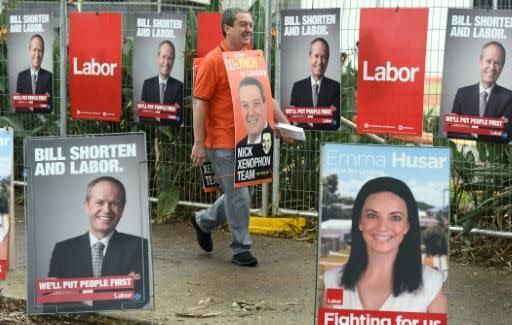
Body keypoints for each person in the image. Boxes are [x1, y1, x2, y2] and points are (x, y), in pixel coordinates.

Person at [190, 8, 293, 267]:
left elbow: (266, 96)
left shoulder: (250, 59)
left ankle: (203, 221)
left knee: (239, 194)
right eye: (243, 25)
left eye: (250, 24)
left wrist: (282, 122)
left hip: (249, 140)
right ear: (227, 28)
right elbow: (199, 103)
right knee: (240, 195)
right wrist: (199, 143)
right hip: (222, 142)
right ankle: (241, 249)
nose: (248, 29)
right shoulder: (212, 61)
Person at [322, 177, 447, 313]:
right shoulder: (332, 280)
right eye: (372, 215)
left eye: (395, 217)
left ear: (407, 226)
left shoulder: (431, 284)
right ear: (359, 222)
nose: (382, 227)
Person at [47, 176, 150, 311]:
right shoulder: (63, 250)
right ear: (87, 206)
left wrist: (78, 294)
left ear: (122, 209)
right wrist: (115, 289)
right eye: (99, 202)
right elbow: (50, 300)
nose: (107, 210)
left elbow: (138, 298)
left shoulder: (138, 246)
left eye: (114, 203)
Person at [450, 41, 512, 142]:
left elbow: (506, 136)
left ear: (502, 67)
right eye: (488, 61)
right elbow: (452, 130)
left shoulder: (509, 97)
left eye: (497, 63)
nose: (492, 67)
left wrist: (468, 127)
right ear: (480, 61)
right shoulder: (462, 94)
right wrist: (492, 126)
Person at [290, 37, 340, 131]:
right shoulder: (297, 87)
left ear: (328, 60)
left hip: (326, 139)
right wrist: (324, 115)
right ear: (310, 58)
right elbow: (293, 121)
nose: (319, 61)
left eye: (323, 57)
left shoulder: (336, 88)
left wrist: (306, 118)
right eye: (316, 56)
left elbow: (335, 122)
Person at [140, 40, 184, 125]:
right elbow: (143, 117)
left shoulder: (179, 86)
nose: (166, 62)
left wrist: (152, 111)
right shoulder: (147, 84)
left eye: (170, 58)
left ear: (173, 61)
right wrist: (169, 111)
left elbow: (179, 119)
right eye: (163, 57)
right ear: (158, 58)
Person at [16, 34, 52, 113]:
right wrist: (41, 100)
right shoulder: (21, 76)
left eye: (40, 50)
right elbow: (18, 106)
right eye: (34, 50)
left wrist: (26, 102)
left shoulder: (49, 77)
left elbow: (48, 105)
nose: (37, 54)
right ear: (29, 51)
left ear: (43, 53)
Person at [236, 76, 274, 147]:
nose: (251, 113)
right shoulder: (240, 146)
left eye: (256, 103)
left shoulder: (274, 141)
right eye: (245, 105)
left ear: (265, 104)